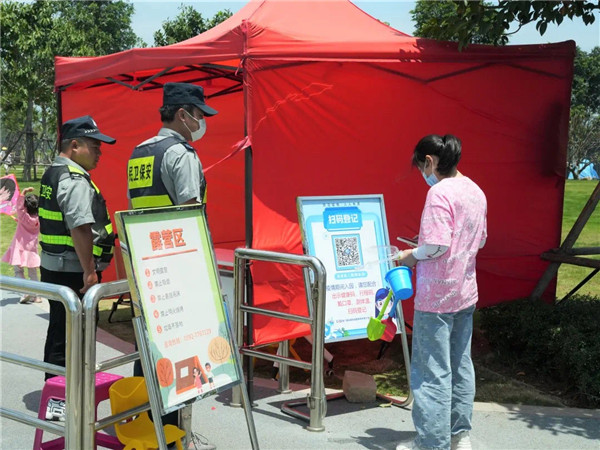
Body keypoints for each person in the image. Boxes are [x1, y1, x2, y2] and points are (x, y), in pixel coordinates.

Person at [127, 82, 218, 430]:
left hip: (147, 265)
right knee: (177, 349)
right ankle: (172, 431)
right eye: (198, 114)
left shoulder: (139, 152)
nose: (201, 121)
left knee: (148, 346)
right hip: (177, 269)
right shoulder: (182, 155)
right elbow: (190, 216)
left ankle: (144, 425)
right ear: (182, 114)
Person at [395, 134, 487, 450]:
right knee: (460, 365)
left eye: (422, 167)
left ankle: (432, 443)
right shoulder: (475, 191)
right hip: (465, 292)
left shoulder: (439, 193)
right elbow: (480, 239)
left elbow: (436, 246)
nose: (423, 174)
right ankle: (460, 436)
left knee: (432, 372)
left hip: (436, 298)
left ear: (430, 162)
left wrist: (411, 255)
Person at [39, 116, 116, 420]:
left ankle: (59, 403)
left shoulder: (53, 172)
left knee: (60, 334)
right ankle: (63, 410)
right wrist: (90, 271)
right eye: (95, 147)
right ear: (74, 145)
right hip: (73, 271)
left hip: (56, 265)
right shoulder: (73, 178)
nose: (99, 153)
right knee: (72, 341)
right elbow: (80, 227)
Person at [2, 187, 42, 303]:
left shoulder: (22, 215)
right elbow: (26, 216)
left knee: (18, 271)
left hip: (19, 248)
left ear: (25, 206)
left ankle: (25, 292)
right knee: (33, 273)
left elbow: (19, 206)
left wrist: (23, 193)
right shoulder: (39, 220)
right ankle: (37, 296)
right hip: (31, 250)